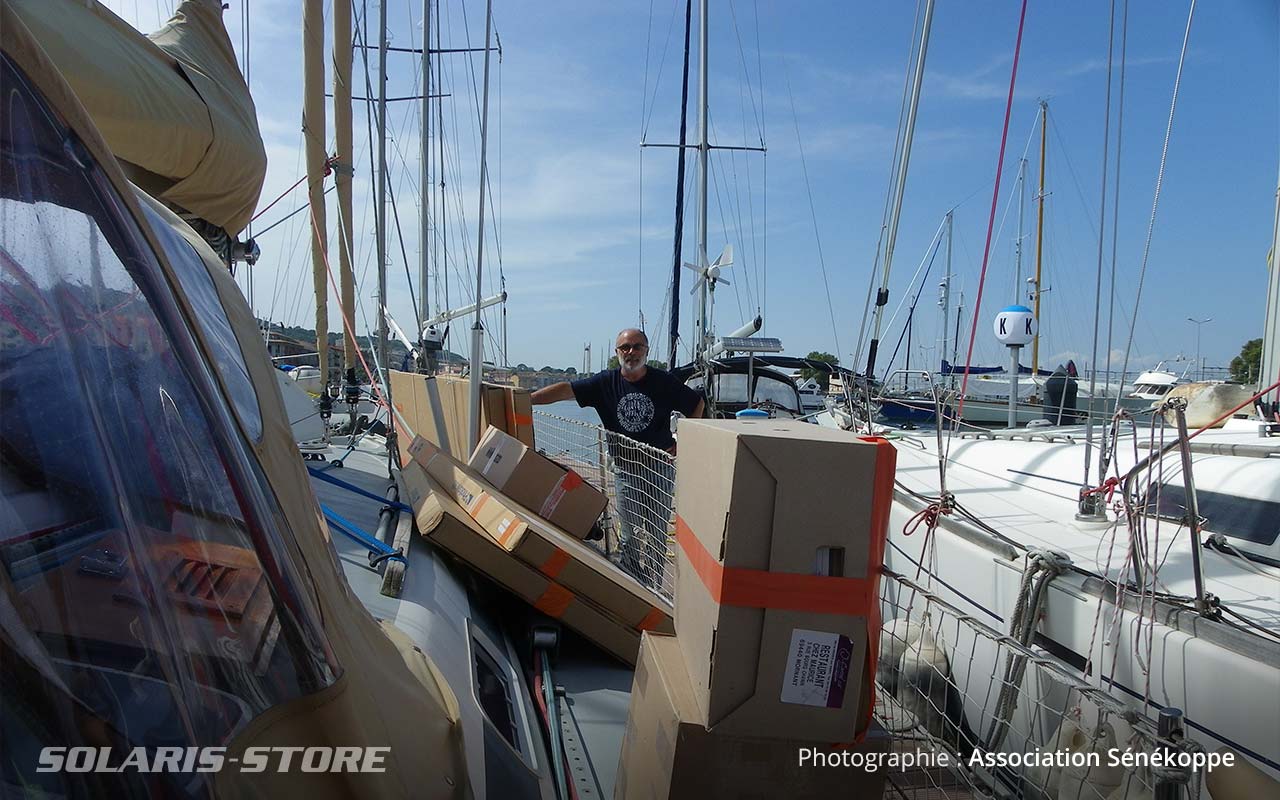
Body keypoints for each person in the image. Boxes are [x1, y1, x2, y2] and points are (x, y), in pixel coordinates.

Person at [531, 328, 703, 589]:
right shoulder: (604, 383)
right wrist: (526, 399)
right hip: (625, 468)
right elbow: (566, 391)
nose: (630, 352)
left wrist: (685, 441)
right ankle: (634, 582)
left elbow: (696, 403)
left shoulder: (664, 382)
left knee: (657, 531)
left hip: (660, 467)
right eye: (625, 347)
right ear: (617, 352)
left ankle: (656, 584)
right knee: (630, 531)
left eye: (636, 347)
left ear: (646, 351)